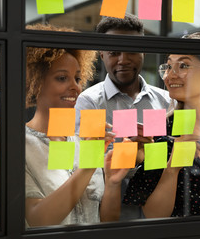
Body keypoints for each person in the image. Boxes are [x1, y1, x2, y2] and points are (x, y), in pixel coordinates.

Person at [123, 32, 200, 218]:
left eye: (183, 66)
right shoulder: (159, 130)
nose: (169, 75)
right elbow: (152, 215)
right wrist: (173, 168)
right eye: (168, 66)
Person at [25, 24, 129, 227]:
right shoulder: (18, 146)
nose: (75, 86)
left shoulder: (83, 141)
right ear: (33, 82)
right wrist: (88, 166)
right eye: (62, 78)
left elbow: (107, 220)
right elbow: (38, 220)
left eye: (78, 78)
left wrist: (113, 183)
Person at [74, 15, 171, 219]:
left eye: (132, 51)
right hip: (109, 212)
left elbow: (173, 158)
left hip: (159, 211)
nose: (123, 60)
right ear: (102, 55)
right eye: (114, 53)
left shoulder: (165, 101)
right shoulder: (90, 103)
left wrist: (148, 154)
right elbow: (84, 164)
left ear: (143, 51)